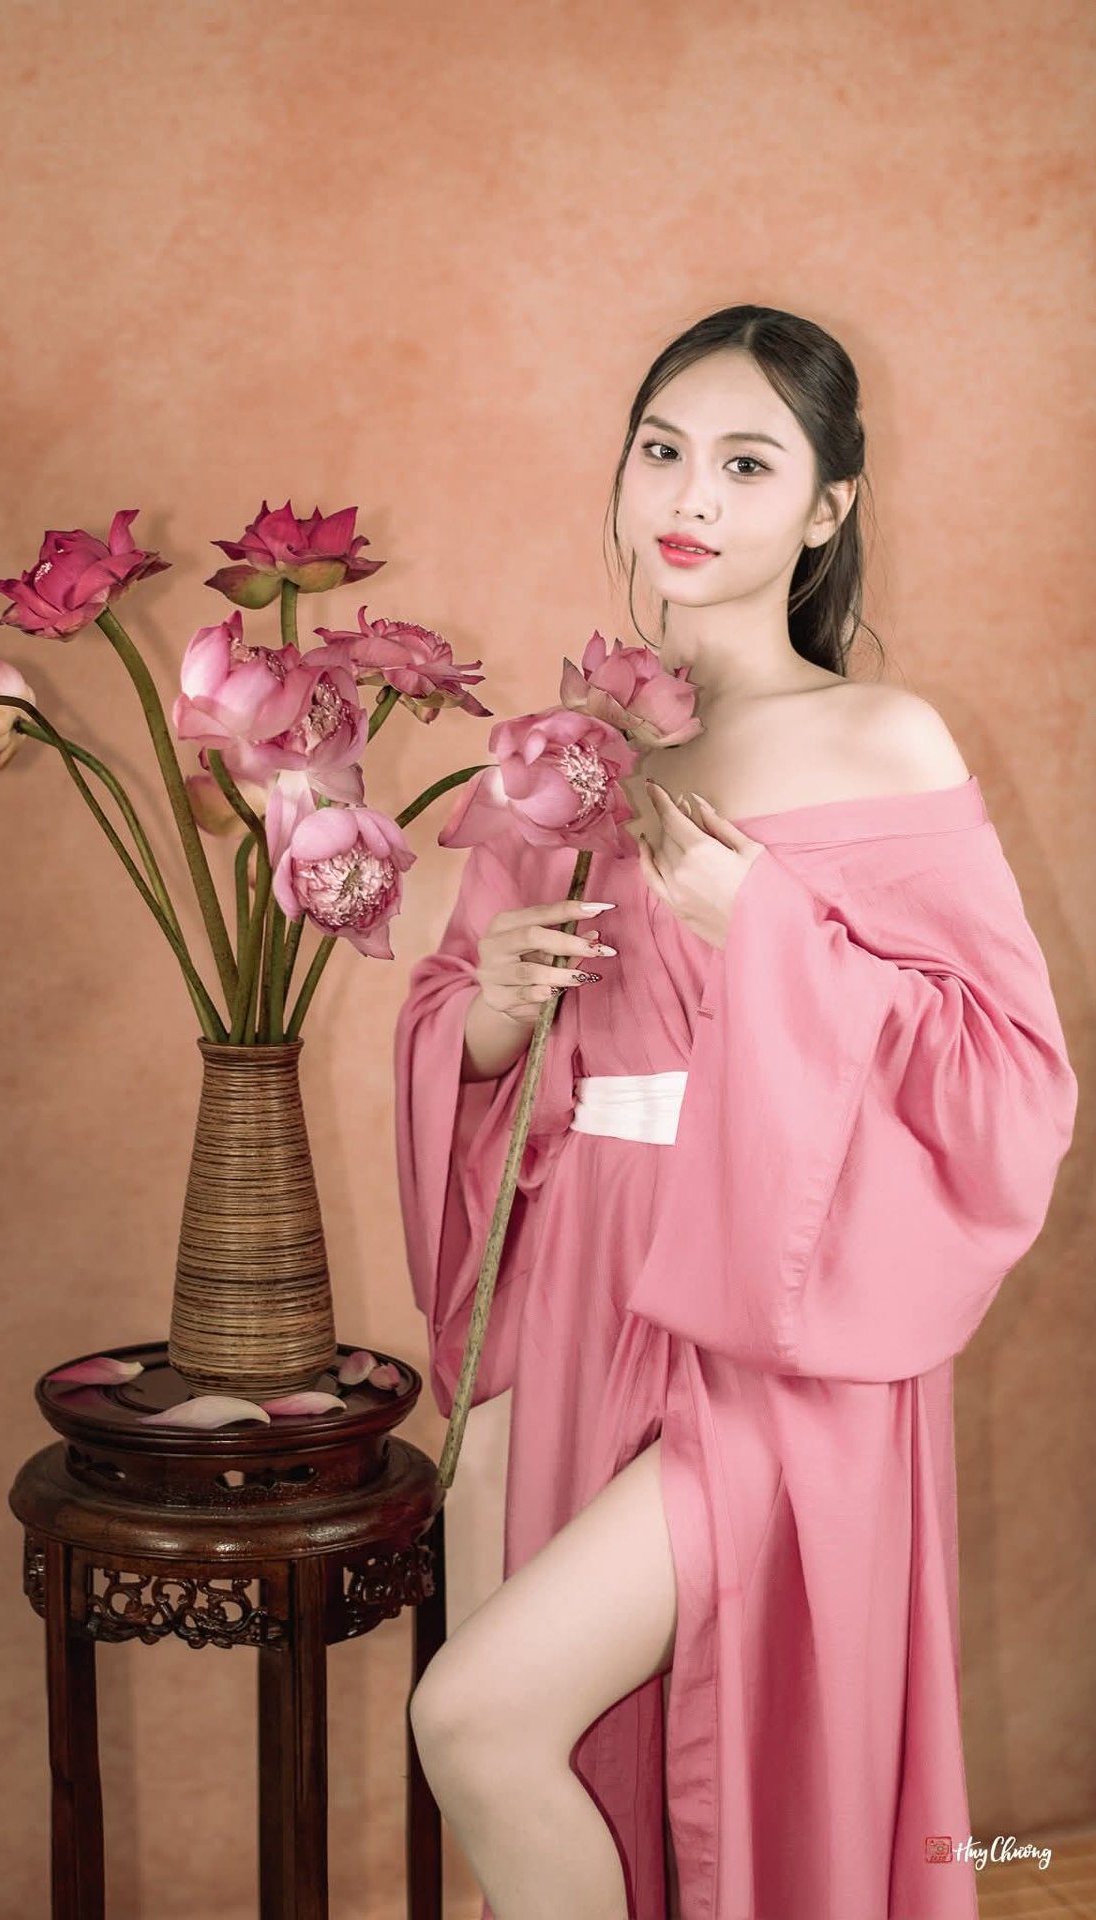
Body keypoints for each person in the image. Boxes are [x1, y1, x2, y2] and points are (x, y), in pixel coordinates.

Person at [391, 305, 1079, 1920]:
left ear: (826, 507)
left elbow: (1007, 1081)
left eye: (748, 463)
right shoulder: (559, 758)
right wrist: (492, 1007)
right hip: (577, 1285)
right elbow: (458, 1032)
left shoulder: (881, 738)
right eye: (662, 450)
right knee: (545, 1746)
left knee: (476, 1719)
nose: (689, 495)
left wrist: (762, 927)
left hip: (780, 1324)